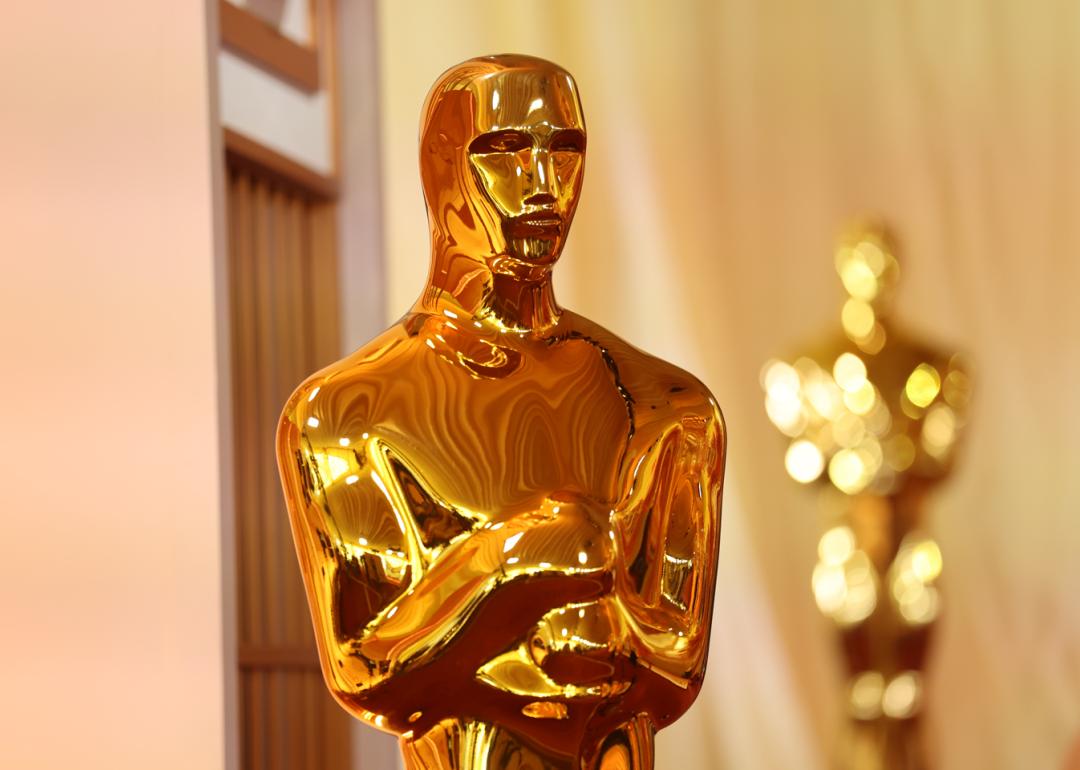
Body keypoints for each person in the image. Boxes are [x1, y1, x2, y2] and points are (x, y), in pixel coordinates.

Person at [277, 54, 726, 770]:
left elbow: (676, 667)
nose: (545, 185)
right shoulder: (344, 416)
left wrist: (507, 627)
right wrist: (508, 566)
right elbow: (369, 675)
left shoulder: (664, 406)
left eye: (565, 151)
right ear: (443, 170)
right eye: (507, 151)